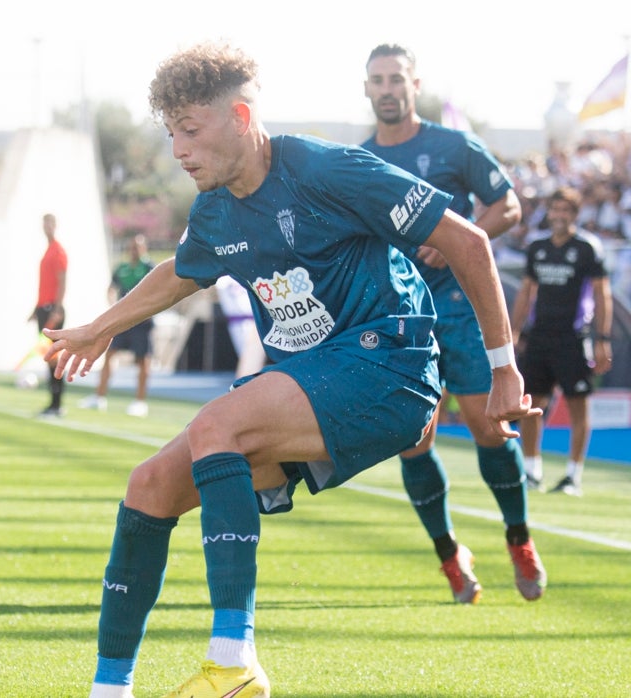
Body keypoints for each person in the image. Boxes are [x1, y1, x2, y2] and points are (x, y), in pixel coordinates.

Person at [43, 41, 536, 698]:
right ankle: (109, 690)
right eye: (170, 133)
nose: (178, 150)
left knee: (220, 425)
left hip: (391, 365)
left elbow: (467, 240)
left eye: (190, 129)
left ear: (242, 119)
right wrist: (99, 327)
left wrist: (504, 370)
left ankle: (234, 661)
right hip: (316, 384)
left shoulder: (327, 168)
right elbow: (179, 273)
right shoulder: (216, 209)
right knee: (150, 485)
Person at [361, 43, 546, 604]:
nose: (388, 88)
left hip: (463, 308)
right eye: (378, 80)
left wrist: (461, 239)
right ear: (366, 89)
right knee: (413, 440)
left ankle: (519, 539)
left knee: (490, 427)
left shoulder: (451, 145)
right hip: (402, 315)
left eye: (397, 78)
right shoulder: (358, 160)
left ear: (416, 86)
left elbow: (508, 207)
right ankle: (449, 555)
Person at [510, 185, 613, 496]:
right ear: (549, 212)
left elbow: (601, 293)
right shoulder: (537, 247)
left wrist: (602, 337)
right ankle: (531, 472)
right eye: (555, 210)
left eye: (566, 211)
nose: (559, 216)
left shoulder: (587, 248)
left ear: (575, 215)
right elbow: (526, 292)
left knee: (577, 406)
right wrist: (513, 332)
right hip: (540, 336)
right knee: (532, 405)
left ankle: (573, 476)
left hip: (573, 337)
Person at [81, 234, 155, 417]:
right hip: (123, 321)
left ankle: (140, 402)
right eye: (131, 247)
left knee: (142, 360)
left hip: (142, 322)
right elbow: (111, 288)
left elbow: (157, 291)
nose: (134, 250)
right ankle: (99, 397)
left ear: (144, 248)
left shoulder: (149, 267)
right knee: (110, 354)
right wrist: (114, 307)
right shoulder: (122, 268)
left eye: (137, 247)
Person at [33, 212, 68, 417]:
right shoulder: (48, 251)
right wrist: (35, 309)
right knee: (47, 357)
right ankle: (52, 402)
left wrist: (57, 308)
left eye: (49, 224)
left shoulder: (58, 251)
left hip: (52, 310)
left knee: (53, 357)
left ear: (55, 226)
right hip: (43, 308)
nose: (46, 227)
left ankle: (57, 403)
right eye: (44, 223)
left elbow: (62, 281)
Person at [214, 275, 266, 378]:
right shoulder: (223, 278)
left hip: (255, 319)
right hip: (236, 320)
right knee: (244, 356)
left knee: (252, 359)